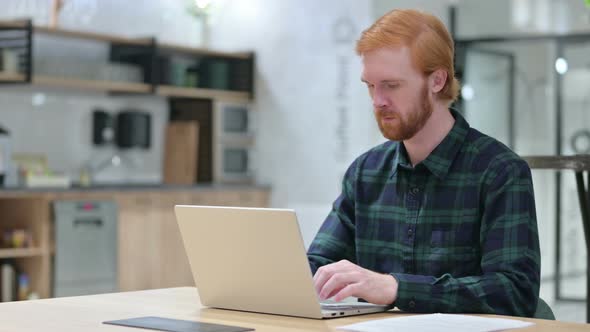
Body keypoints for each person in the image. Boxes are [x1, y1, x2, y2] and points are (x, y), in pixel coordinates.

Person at [307, 9, 540, 317]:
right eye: (370, 85)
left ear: (437, 80)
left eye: (391, 85)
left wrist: (396, 288)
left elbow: (514, 291)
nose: (377, 101)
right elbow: (318, 265)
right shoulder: (365, 173)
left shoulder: (499, 172)